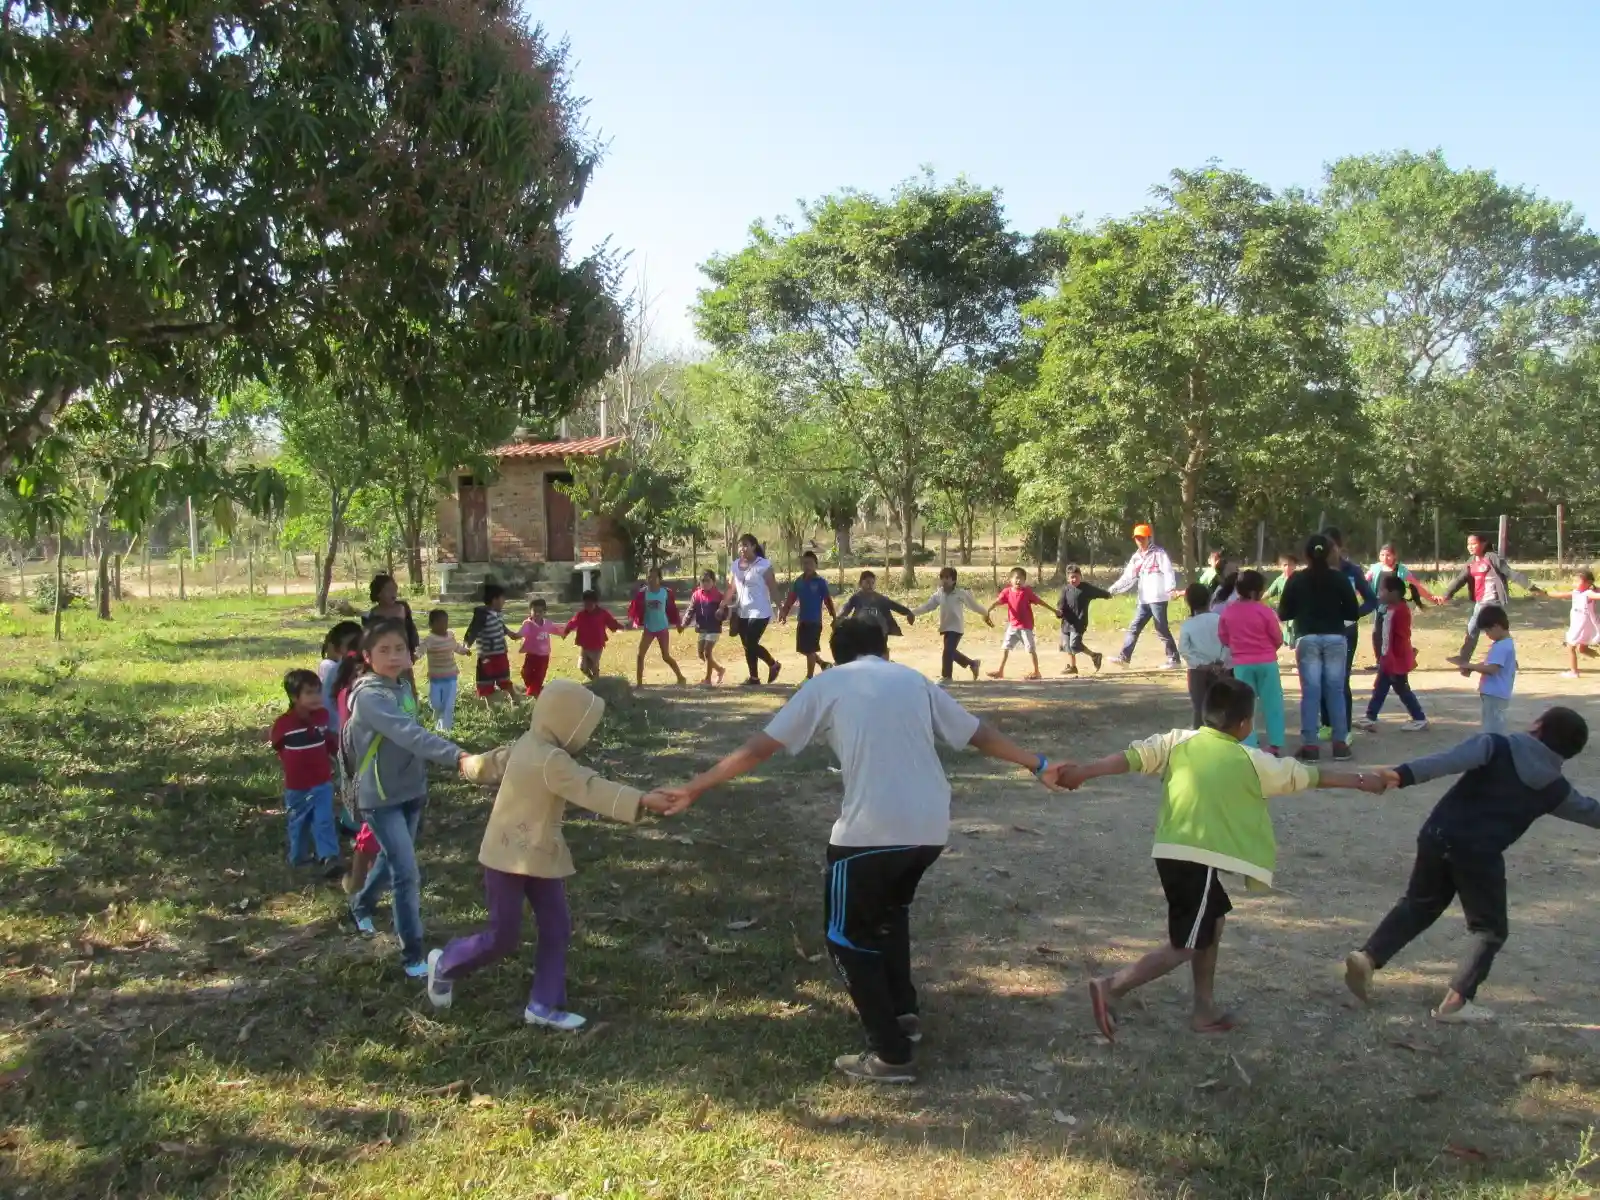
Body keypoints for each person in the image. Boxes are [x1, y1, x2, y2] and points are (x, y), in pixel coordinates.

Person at [643, 618, 1071, 1084]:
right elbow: (977, 733)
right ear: (885, 650)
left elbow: (760, 748)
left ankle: (890, 1054)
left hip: (870, 834)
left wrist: (695, 787)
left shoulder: (826, 683)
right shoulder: (913, 680)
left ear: (835, 655)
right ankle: (902, 1013)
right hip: (929, 828)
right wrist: (1038, 763)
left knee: (845, 937)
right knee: (889, 916)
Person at [1055, 676, 1386, 1042]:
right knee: (1185, 944)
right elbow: (1308, 775)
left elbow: (1133, 757)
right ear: (1245, 724)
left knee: (1212, 922)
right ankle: (1112, 986)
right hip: (1193, 857)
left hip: (1175, 852)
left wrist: (1085, 771)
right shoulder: (1253, 761)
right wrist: (1361, 780)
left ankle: (1204, 1008)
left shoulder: (1178, 741)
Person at [426, 680, 672, 1029]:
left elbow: (490, 763)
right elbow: (589, 787)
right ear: (567, 722)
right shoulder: (552, 760)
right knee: (503, 936)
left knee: (555, 927)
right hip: (508, 859)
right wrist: (641, 800)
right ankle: (447, 963)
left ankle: (543, 1002)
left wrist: (466, 764)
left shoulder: (526, 743)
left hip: (540, 856)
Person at [1344, 707, 1598, 1023]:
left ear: (1537, 725)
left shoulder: (1495, 745)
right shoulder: (1554, 788)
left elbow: (1447, 761)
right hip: (1479, 855)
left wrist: (1401, 774)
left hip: (1438, 834)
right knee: (1489, 930)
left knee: (1419, 904)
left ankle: (1368, 957)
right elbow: (1591, 812)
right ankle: (1456, 1003)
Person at [342, 620, 486, 977]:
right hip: (380, 797)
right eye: (384, 650)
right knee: (406, 874)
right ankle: (412, 956)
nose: (393, 656)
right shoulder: (370, 697)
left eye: (399, 649)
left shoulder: (403, 687)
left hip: (411, 791)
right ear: (367, 657)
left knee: (391, 860)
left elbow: (413, 735)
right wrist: (457, 756)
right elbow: (411, 735)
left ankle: (360, 905)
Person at [1277, 533, 1359, 761]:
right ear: (1331, 553)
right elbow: (1353, 612)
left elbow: (1284, 613)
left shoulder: (1297, 579)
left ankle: (1310, 746)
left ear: (1306, 555)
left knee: (1311, 692)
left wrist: (1302, 610)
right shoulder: (1339, 578)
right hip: (1335, 636)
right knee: (1336, 691)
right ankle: (1340, 744)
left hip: (1307, 637)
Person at [271, 668, 341, 871]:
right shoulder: (284, 724)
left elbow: (328, 741)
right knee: (298, 821)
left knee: (324, 819)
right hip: (297, 786)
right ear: (294, 697)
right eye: (309, 693)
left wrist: (338, 754)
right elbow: (278, 746)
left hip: (321, 781)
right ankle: (298, 856)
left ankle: (328, 856)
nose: (316, 697)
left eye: (318, 691)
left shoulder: (322, 717)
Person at [1441, 533, 1544, 665]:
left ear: (1483, 544)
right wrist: (1446, 595)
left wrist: (1530, 587)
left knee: (1477, 629)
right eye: (1468, 544)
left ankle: (1465, 659)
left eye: (1474, 544)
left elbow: (1510, 573)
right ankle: (1507, 661)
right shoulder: (1471, 561)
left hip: (1493, 600)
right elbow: (1460, 579)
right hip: (1480, 601)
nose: (1470, 547)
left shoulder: (1492, 558)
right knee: (1494, 631)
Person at [1217, 570, 1285, 756]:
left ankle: (1249, 743)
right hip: (1267, 662)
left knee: (1246, 705)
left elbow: (1223, 637)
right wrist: (1269, 648)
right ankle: (1275, 743)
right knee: (1272, 702)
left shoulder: (1229, 611)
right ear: (1255, 592)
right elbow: (1277, 637)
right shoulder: (1264, 610)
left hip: (1242, 663)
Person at [1353, 574, 1429, 733]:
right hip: (1393, 658)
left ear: (1393, 593)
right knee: (1382, 688)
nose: (1379, 594)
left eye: (1382, 590)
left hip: (1394, 659)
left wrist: (1388, 658)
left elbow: (1391, 637)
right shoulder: (1395, 608)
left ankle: (1419, 718)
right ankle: (1370, 717)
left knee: (1400, 689)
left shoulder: (1396, 611)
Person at [1321, 529, 1378, 732]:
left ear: (1339, 547)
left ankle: (1344, 729)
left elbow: (1371, 600)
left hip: (1346, 632)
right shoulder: (1314, 571)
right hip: (1320, 631)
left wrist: (1353, 614)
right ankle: (1326, 724)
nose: (1327, 551)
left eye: (1331, 546)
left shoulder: (1352, 570)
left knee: (1341, 679)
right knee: (1322, 678)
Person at [1109, 524, 1181, 669]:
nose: (1140, 541)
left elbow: (1168, 572)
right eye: (1137, 538)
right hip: (1144, 599)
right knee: (1134, 627)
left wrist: (1170, 589)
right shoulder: (1136, 558)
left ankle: (1174, 659)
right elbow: (1127, 577)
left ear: (1149, 537)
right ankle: (1124, 658)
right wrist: (1112, 590)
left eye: (1142, 538)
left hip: (1158, 598)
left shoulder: (1159, 554)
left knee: (1161, 628)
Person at [914, 567, 991, 684]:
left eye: (947, 578)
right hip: (945, 627)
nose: (944, 580)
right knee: (950, 652)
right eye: (942, 578)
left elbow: (974, 606)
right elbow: (928, 606)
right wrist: (912, 612)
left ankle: (947, 677)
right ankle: (973, 663)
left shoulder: (960, 593)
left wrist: (985, 613)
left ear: (954, 580)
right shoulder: (939, 594)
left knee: (947, 652)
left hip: (956, 628)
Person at [722, 534, 781, 686]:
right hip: (743, 612)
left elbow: (773, 588)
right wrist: (723, 605)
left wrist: (780, 607)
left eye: (745, 545)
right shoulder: (735, 565)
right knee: (747, 646)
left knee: (751, 643)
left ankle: (773, 664)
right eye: (740, 545)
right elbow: (731, 588)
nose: (742, 548)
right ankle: (754, 678)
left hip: (760, 611)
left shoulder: (764, 565)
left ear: (753, 546)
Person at [779, 551, 838, 679]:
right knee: (804, 649)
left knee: (810, 649)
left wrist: (834, 616)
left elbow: (828, 600)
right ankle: (823, 664)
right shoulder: (799, 582)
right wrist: (784, 612)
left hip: (815, 621)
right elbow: (791, 598)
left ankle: (809, 677)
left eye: (810, 563)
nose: (807, 566)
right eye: (805, 563)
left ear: (816, 565)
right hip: (802, 620)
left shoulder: (820, 582)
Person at [1178, 582, 1229, 730]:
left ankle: (1198, 735)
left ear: (1189, 603)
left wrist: (1201, 664)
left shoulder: (1188, 625)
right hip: (1221, 669)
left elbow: (1184, 649)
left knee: (1199, 708)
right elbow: (1228, 643)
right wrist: (1220, 662)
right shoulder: (1219, 620)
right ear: (1210, 599)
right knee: (1221, 707)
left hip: (1197, 672)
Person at [1458, 605, 1516, 734]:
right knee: (1492, 724)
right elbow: (1491, 664)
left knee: (1492, 729)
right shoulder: (1504, 643)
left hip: (1495, 693)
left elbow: (1492, 669)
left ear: (1496, 626)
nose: (1488, 635)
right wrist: (1473, 667)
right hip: (1496, 692)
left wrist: (1471, 666)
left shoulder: (1502, 646)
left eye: (1487, 631)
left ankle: (1494, 745)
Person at [986, 567, 1051, 680]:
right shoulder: (1007, 592)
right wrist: (987, 610)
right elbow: (997, 602)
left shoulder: (1027, 592)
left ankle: (1036, 672)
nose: (1018, 581)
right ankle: (1000, 671)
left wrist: (1054, 611)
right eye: (1016, 578)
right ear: (1010, 580)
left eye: (1021, 579)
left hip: (1025, 627)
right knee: (1005, 648)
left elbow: (1040, 602)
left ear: (1024, 581)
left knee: (1031, 649)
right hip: (1012, 626)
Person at [464, 583, 523, 704]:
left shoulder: (497, 613)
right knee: (486, 682)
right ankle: (492, 707)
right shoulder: (481, 615)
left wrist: (509, 633)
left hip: (500, 654)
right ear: (494, 600)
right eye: (503, 598)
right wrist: (466, 645)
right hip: (486, 657)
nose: (504, 601)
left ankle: (515, 700)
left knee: (504, 679)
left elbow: (501, 625)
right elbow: (472, 630)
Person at [628, 568, 686, 687]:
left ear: (660, 579)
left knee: (666, 656)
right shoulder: (642, 593)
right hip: (649, 628)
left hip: (662, 628)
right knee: (640, 655)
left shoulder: (666, 592)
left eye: (654, 577)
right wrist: (632, 621)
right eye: (649, 577)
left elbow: (672, 610)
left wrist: (678, 624)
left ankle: (681, 677)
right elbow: (634, 609)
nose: (651, 580)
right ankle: (639, 684)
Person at [840, 571, 916, 656]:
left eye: (872, 583)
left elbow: (894, 605)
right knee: (861, 653)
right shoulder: (856, 598)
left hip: (879, 631)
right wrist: (838, 619)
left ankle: (883, 661)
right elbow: (845, 610)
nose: (870, 585)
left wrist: (908, 612)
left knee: (881, 653)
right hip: (861, 631)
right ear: (860, 583)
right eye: (867, 582)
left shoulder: (880, 598)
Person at [418, 608, 471, 731]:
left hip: (450, 676)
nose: (444, 625)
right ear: (431, 625)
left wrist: (464, 651)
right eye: (440, 623)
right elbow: (421, 650)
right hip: (435, 678)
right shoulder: (430, 639)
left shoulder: (450, 636)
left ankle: (446, 730)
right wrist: (415, 656)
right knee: (436, 703)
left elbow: (456, 647)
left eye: (445, 622)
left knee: (448, 704)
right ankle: (438, 718)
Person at [1055, 564, 1110, 676]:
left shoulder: (1086, 588)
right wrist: (1059, 612)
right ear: (1068, 578)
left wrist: (1107, 594)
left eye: (1076, 577)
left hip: (1079, 622)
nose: (1074, 579)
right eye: (1071, 577)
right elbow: (1061, 605)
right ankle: (1073, 667)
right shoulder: (1065, 589)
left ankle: (1094, 655)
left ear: (1080, 576)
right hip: (1066, 622)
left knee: (1074, 644)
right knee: (1067, 646)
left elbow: (1099, 592)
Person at [1366, 544, 1438, 624]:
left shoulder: (1401, 570)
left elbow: (1416, 585)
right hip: (1380, 606)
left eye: (1388, 555)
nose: (1385, 558)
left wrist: (1432, 598)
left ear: (1394, 556)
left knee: (1389, 629)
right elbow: (1363, 582)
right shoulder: (1375, 568)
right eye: (1382, 555)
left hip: (1396, 608)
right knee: (1378, 630)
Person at [1552, 568, 1600, 679]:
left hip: (1582, 625)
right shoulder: (1576, 593)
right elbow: (1561, 594)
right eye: (1574, 581)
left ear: (1588, 582)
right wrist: (1544, 593)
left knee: (1571, 646)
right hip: (1582, 625)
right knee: (1582, 649)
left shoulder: (1588, 593)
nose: (1575, 583)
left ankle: (1574, 672)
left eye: (1578, 581)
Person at [683, 570, 728, 686]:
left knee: (707, 652)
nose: (705, 583)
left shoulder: (718, 596)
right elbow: (690, 611)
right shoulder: (696, 595)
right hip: (702, 628)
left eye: (708, 581)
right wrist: (684, 623)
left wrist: (722, 614)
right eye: (703, 581)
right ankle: (720, 670)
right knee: (701, 653)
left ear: (714, 582)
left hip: (714, 628)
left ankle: (708, 680)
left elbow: (726, 612)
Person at [564, 591, 621, 681]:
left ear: (595, 603)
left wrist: (620, 627)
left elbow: (612, 622)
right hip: (585, 645)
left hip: (597, 645)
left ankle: (596, 682)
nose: (588, 607)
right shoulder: (581, 615)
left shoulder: (602, 613)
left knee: (594, 666)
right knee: (582, 667)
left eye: (590, 604)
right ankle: (594, 680)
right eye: (586, 604)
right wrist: (565, 632)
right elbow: (572, 623)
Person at [365, 573, 421, 660]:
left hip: (403, 651)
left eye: (395, 589)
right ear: (378, 593)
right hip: (384, 654)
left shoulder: (403, 607)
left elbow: (411, 629)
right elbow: (370, 637)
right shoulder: (374, 613)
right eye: (389, 590)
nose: (393, 593)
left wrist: (413, 650)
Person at [517, 598, 565, 699]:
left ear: (544, 612)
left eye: (540, 611)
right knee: (525, 673)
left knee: (539, 676)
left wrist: (564, 632)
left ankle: (533, 693)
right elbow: (520, 634)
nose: (537, 614)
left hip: (543, 657)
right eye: (535, 611)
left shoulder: (547, 623)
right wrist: (513, 635)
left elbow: (557, 629)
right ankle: (534, 690)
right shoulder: (528, 624)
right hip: (531, 655)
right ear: (530, 611)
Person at [1263, 554, 1298, 650]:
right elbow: (1269, 593)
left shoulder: (1299, 579)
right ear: (1280, 566)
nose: (1288, 568)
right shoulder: (1279, 580)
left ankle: (1294, 645)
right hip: (1285, 609)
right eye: (1285, 565)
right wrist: (1256, 600)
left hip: (1297, 609)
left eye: (1290, 565)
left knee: (1294, 626)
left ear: (1295, 566)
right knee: (1287, 629)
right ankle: (1288, 644)